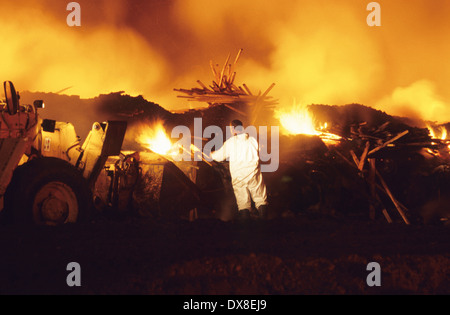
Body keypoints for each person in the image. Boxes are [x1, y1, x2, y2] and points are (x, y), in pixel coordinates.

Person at [211, 119, 268, 221]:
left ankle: (246, 229)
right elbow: (261, 150)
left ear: (233, 129)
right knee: (261, 200)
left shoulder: (231, 142)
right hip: (254, 174)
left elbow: (219, 157)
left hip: (239, 177)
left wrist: (212, 154)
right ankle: (265, 224)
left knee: (243, 204)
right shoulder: (253, 140)